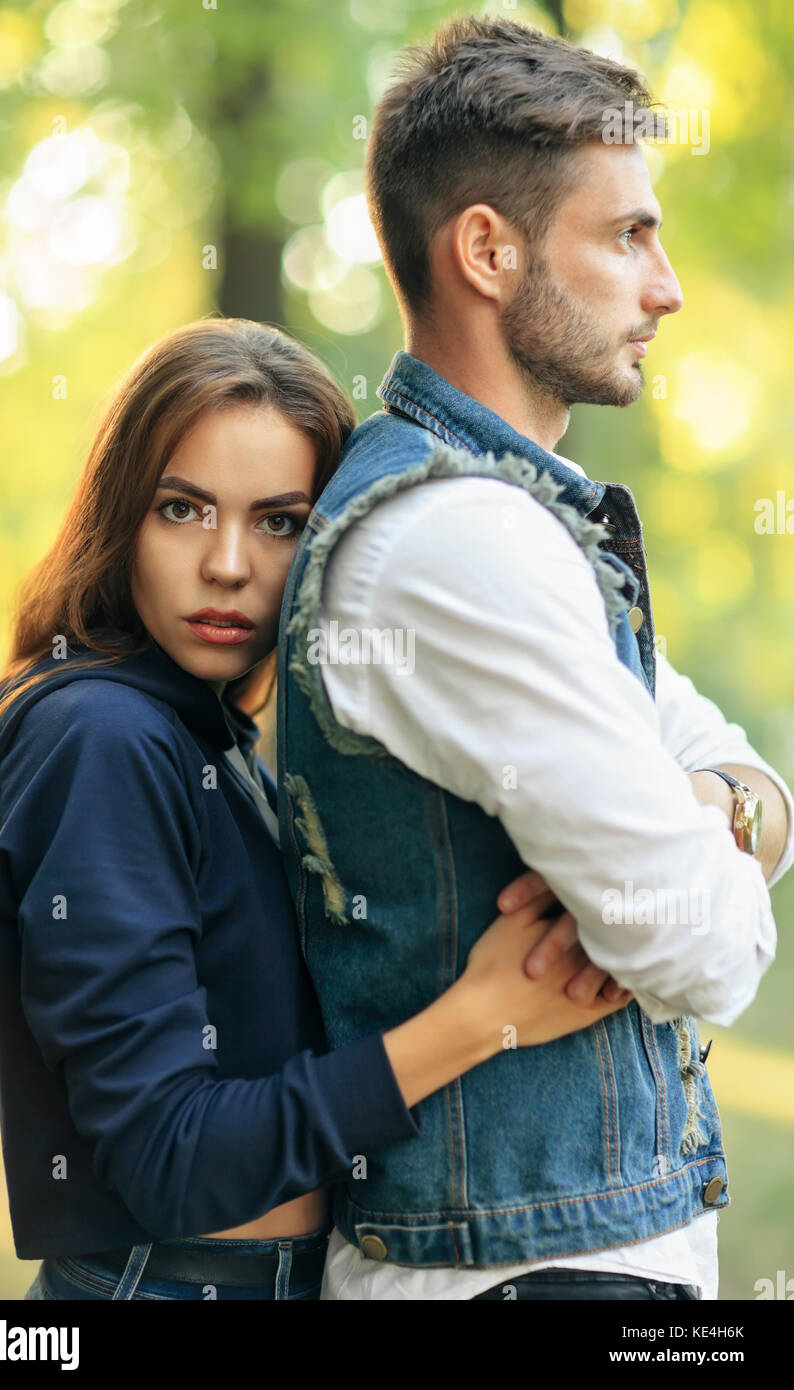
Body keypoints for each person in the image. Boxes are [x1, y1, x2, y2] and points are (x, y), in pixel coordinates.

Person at [0, 316, 633, 1301]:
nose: (228, 564)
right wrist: (479, 1017)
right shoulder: (101, 738)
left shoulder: (203, 735)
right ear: (119, 518)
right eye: (182, 509)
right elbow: (170, 1158)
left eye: (278, 522)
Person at [276, 16, 794, 1300]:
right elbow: (702, 953)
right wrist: (706, 844)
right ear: (488, 251)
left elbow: (748, 775)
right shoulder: (453, 544)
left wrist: (711, 807)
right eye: (626, 234)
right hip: (525, 1274)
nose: (665, 286)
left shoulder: (521, 526)